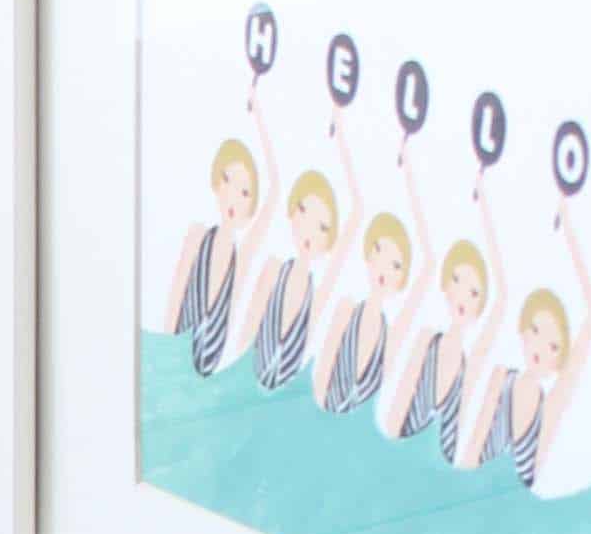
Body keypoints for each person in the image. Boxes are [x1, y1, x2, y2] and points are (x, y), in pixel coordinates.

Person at [471, 193, 591, 488]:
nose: (541, 349)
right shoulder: (500, 380)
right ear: (523, 331)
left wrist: (569, 231)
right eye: (536, 331)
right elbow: (471, 454)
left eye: (554, 346)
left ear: (561, 359)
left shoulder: (551, 404)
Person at [315, 118, 425, 420]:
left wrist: (411, 177)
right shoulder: (346, 310)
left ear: (402, 277)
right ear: (367, 254)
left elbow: (429, 266)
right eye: (379, 251)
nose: (384, 270)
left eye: (396, 265)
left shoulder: (393, 333)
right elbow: (319, 386)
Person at [391, 180, 503, 462]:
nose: (464, 297)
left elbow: (503, 297)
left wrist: (488, 212)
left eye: (474, 291)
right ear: (445, 285)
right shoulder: (425, 341)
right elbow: (396, 419)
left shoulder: (473, 363)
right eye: (457, 280)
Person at [162, 114, 271, 375]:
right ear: (216, 182)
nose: (234, 197)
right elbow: (173, 311)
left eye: (245, 192)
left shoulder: (241, 257)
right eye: (228, 180)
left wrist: (260, 119)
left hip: (207, 383)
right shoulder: (197, 237)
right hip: (174, 376)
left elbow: (275, 193)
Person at [244, 155, 345, 396]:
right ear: (292, 213)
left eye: (322, 227)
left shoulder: (318, 294)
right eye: (304, 211)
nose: (311, 232)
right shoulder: (272, 271)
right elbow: (245, 335)